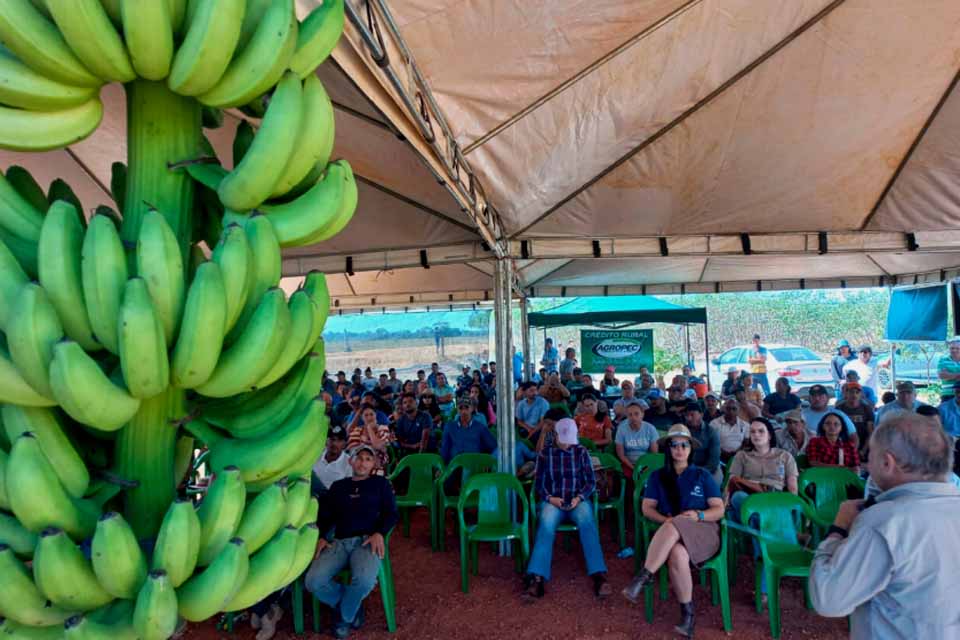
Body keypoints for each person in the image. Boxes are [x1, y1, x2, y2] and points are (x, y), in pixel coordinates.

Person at [809, 414, 960, 639]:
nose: (866, 463)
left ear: (887, 463)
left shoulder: (884, 522)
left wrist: (837, 530)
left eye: (870, 455)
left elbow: (828, 599)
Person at [622, 425, 725, 638]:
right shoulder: (658, 476)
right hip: (674, 535)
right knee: (677, 552)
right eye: (674, 445)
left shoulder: (702, 475)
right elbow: (647, 508)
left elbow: (719, 509)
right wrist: (666, 519)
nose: (679, 449)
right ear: (668, 449)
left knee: (674, 523)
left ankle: (644, 575)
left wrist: (700, 515)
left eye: (684, 445)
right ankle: (688, 616)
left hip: (704, 531)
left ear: (690, 449)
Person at [305, 445, 399, 639]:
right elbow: (325, 516)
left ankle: (344, 617)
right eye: (358, 457)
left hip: (367, 541)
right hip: (338, 542)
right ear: (350, 461)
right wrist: (322, 535)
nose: (362, 462)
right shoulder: (339, 487)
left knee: (364, 581)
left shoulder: (380, 484)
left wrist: (380, 533)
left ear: (373, 463)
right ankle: (351, 606)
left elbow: (391, 513)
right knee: (313, 581)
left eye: (367, 459)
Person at [523, 418, 611, 601]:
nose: (566, 443)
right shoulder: (545, 454)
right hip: (553, 500)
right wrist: (550, 498)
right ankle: (537, 578)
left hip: (577, 500)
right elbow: (539, 484)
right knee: (546, 525)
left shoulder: (581, 452)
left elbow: (590, 482)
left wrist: (579, 498)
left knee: (587, 523)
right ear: (555, 436)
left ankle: (598, 575)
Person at [439, 397, 496, 463]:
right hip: (454, 466)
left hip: (474, 466)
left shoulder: (480, 427)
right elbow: (444, 449)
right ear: (457, 409)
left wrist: (487, 462)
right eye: (461, 408)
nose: (464, 411)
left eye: (466, 407)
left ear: (472, 408)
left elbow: (493, 446)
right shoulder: (450, 426)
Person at [615, 401, 660, 474]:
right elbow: (621, 455)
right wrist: (633, 468)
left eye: (636, 414)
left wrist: (645, 467)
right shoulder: (621, 430)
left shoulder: (650, 428)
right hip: (628, 463)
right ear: (627, 416)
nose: (633, 417)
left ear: (642, 414)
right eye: (630, 415)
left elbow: (654, 453)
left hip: (646, 463)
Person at [835, 381, 875, 461]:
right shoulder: (839, 409)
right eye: (851, 392)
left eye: (857, 392)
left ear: (861, 394)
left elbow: (871, 433)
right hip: (843, 448)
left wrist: (863, 450)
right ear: (846, 394)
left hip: (863, 448)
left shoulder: (867, 409)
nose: (854, 395)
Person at [684, 402, 721, 484]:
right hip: (687, 469)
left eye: (692, 415)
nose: (689, 418)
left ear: (701, 415)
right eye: (686, 415)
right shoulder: (682, 430)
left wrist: (698, 474)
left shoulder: (711, 432)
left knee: (712, 488)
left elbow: (713, 461)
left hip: (709, 469)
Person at [347, 407, 392, 471]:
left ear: (375, 415)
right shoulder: (357, 430)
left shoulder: (383, 428)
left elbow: (378, 446)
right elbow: (351, 449)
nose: (369, 417)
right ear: (362, 418)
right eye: (366, 415)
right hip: (358, 461)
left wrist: (369, 428)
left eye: (371, 414)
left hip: (378, 464)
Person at [312, 426, 352, 496]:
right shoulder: (316, 453)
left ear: (344, 444)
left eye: (339, 440)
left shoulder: (349, 463)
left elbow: (348, 488)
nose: (334, 443)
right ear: (326, 441)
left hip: (332, 499)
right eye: (332, 439)